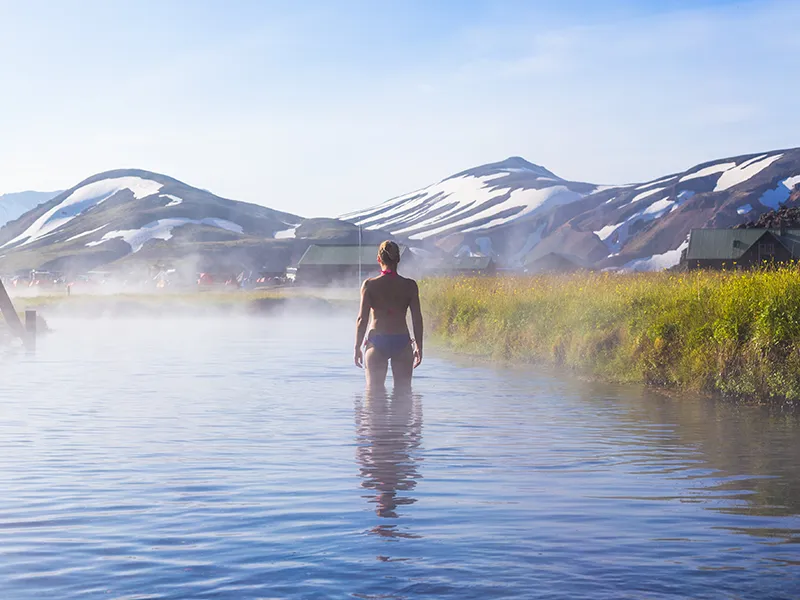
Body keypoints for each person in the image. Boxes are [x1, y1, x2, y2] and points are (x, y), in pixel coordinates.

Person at [354, 240, 423, 389]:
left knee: (374, 395)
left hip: (377, 341)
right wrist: (419, 346)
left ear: (378, 259)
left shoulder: (369, 285)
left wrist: (357, 347)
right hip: (402, 341)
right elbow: (417, 319)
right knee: (404, 394)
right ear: (398, 259)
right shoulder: (410, 285)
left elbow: (362, 319)